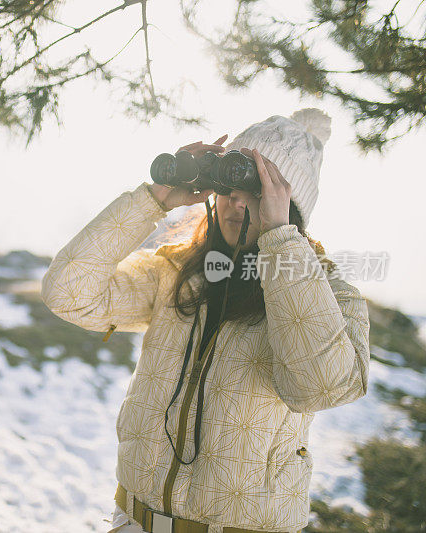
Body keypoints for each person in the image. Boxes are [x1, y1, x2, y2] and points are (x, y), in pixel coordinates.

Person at [40, 108, 370, 533]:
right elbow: (67, 292)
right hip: (133, 521)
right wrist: (152, 200)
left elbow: (318, 387)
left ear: (289, 204)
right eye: (229, 183)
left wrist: (281, 242)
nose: (236, 200)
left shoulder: (331, 296)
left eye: (256, 187)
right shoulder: (176, 274)